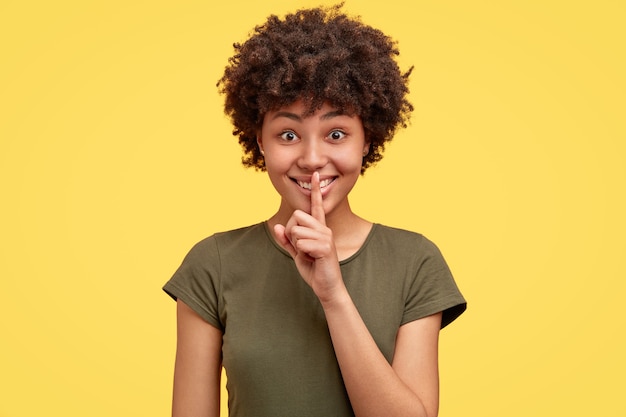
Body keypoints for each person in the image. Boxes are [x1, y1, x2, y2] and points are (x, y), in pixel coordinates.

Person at [163, 4, 466, 417]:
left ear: (367, 141)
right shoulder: (212, 264)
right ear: (260, 143)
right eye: (288, 134)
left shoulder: (414, 262)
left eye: (336, 133)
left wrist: (333, 293)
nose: (311, 158)